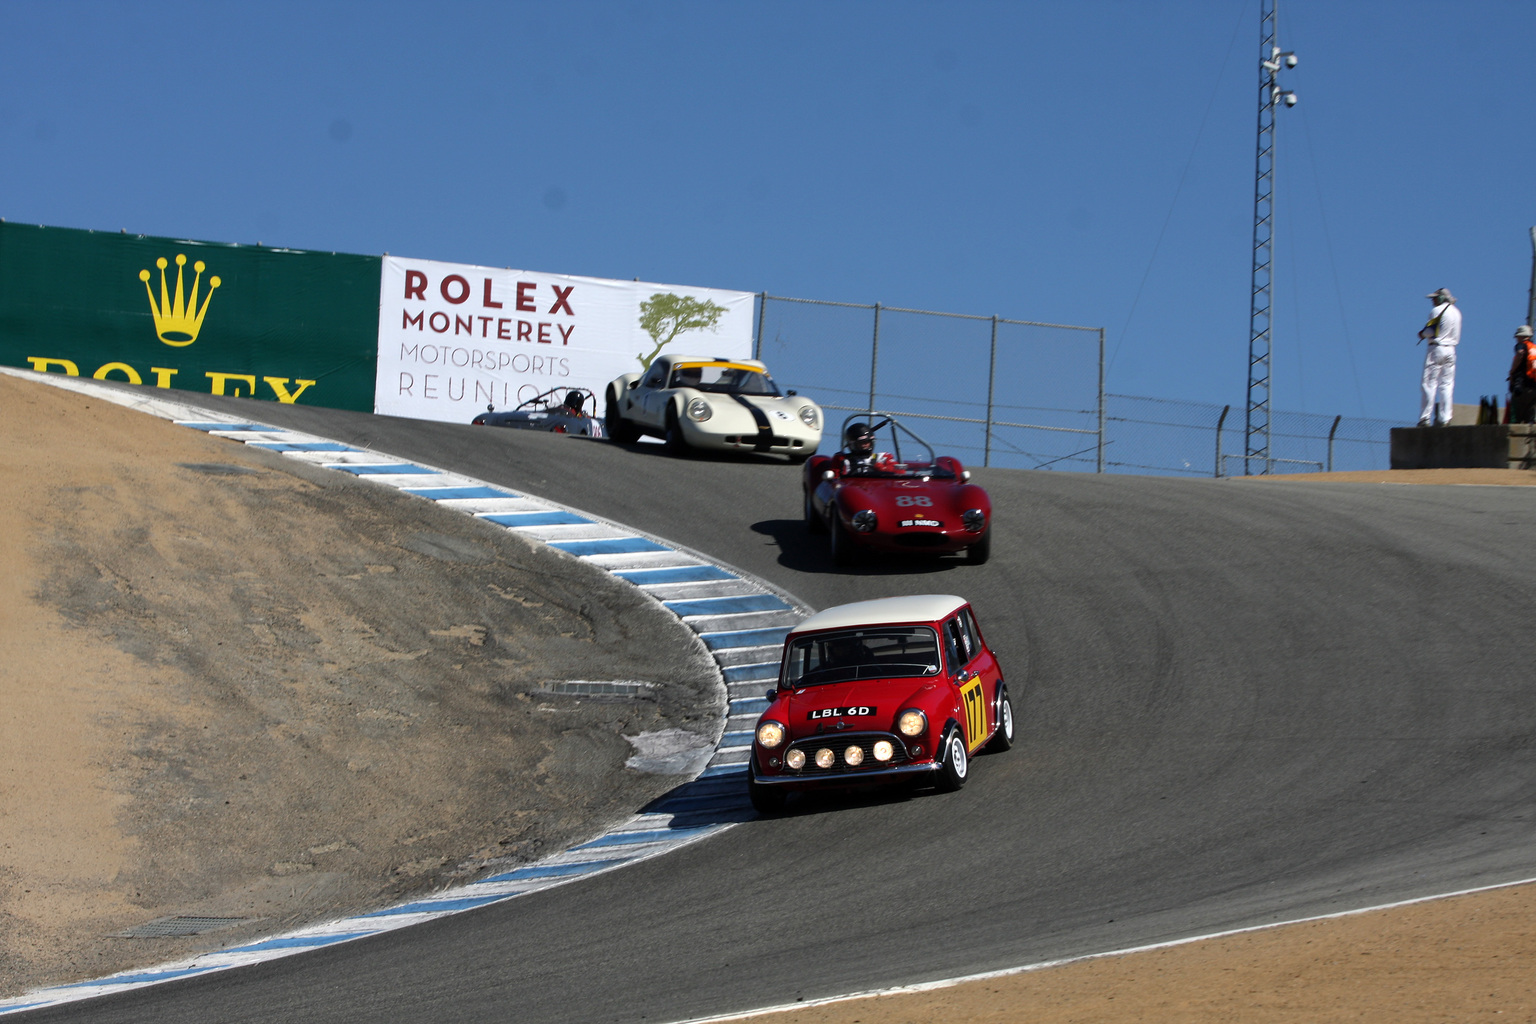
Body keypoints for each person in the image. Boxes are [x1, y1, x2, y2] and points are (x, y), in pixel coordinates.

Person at [1418, 288, 1462, 426]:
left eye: (1435, 298)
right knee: (1447, 384)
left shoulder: (1436, 311)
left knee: (1429, 383)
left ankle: (1425, 418)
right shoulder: (1457, 312)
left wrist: (1422, 334)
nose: (1433, 300)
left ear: (1441, 298)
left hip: (1437, 348)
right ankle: (1445, 418)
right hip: (1451, 350)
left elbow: (1430, 331)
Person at [1508, 325, 1536, 424]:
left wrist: (1512, 371)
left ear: (1521, 336)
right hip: (1534, 388)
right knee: (1530, 419)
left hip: (1522, 386)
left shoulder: (1521, 345)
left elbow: (1520, 354)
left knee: (1516, 417)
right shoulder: (1534, 348)